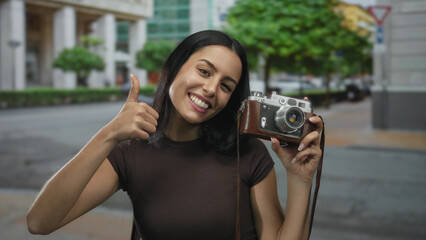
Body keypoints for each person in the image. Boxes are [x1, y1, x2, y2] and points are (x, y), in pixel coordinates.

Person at [27, 30, 323, 240]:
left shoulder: (247, 152)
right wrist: (108, 134)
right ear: (173, 67)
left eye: (226, 86)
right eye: (205, 72)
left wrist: (300, 179)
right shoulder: (130, 151)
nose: (211, 89)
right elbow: (40, 222)